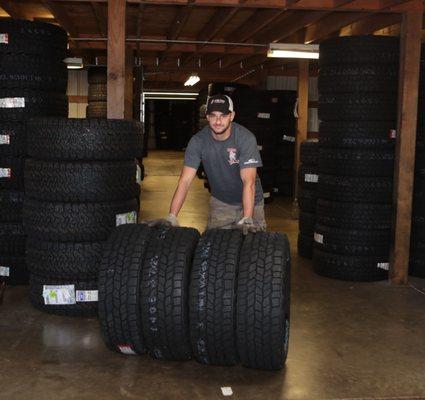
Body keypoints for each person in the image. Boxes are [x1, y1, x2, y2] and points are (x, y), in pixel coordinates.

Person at [150, 94, 266, 233]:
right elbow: (185, 181)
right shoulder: (198, 141)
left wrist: (247, 217)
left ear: (232, 116)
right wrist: (172, 216)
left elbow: (249, 182)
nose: (218, 121)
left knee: (253, 249)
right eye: (213, 115)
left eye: (223, 115)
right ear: (207, 116)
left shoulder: (245, 138)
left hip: (252, 202)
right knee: (214, 249)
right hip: (221, 202)